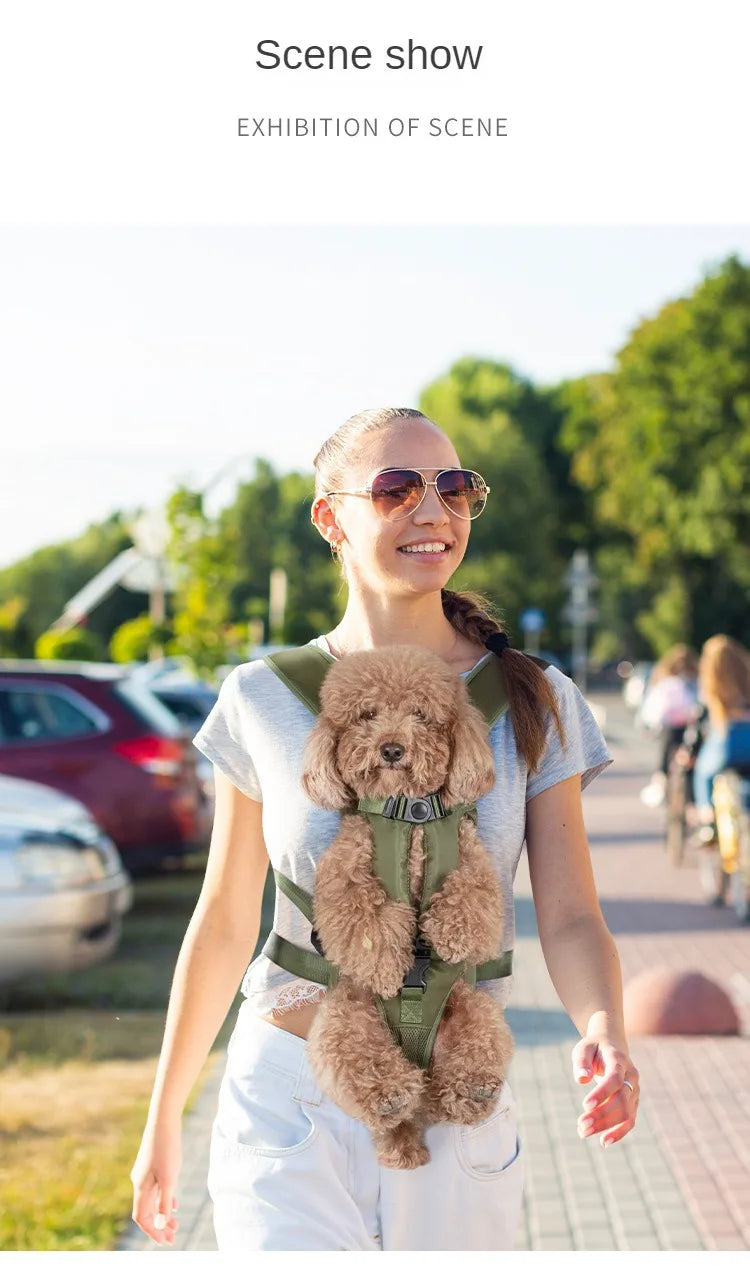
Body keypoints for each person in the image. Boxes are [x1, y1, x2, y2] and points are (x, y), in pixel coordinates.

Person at [129, 407, 639, 1251]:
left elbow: (574, 916)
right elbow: (223, 920)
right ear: (331, 515)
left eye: (456, 489)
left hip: (455, 1104)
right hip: (287, 1096)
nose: (433, 511)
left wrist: (605, 1031)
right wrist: (164, 1118)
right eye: (397, 488)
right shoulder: (261, 698)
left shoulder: (536, 699)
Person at [687, 635, 750, 836]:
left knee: (703, 773)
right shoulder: (746, 677)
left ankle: (708, 822)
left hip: (727, 740)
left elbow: (701, 719)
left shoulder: (712, 683)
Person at [638, 645, 701, 808]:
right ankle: (688, 801)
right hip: (684, 725)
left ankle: (661, 778)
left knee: (669, 746)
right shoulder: (690, 681)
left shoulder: (665, 680)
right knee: (690, 756)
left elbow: (652, 708)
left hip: (674, 727)